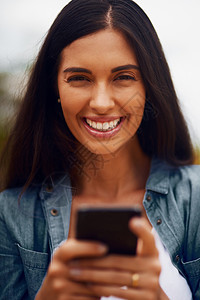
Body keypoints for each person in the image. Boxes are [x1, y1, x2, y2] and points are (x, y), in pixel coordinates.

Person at [0, 0, 199, 299]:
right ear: (54, 88)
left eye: (123, 77)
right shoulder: (10, 215)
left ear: (149, 86)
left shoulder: (196, 198)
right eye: (79, 78)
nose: (102, 103)